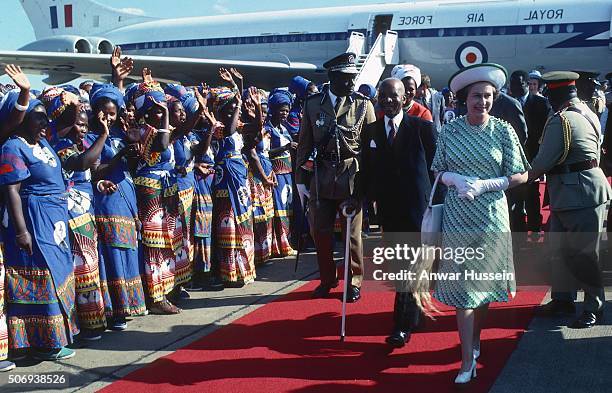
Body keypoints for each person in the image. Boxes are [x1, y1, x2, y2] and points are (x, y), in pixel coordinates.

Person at [432, 63, 529, 384]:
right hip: (458, 217)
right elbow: (437, 171)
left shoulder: (503, 130)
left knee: (483, 288)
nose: (482, 102)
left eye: (488, 96)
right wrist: (454, 179)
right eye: (476, 96)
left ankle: (474, 342)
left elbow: (521, 173)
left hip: (491, 217)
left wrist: (489, 184)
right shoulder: (450, 130)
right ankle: (465, 363)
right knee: (464, 290)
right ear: (464, 98)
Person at [0, 92, 79, 361]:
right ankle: (42, 343)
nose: (45, 123)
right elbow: (12, 189)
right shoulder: (13, 147)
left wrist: (72, 101)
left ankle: (54, 338)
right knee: (40, 278)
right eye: (38, 118)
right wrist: (21, 231)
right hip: (33, 218)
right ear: (22, 121)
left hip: (53, 219)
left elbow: (68, 120)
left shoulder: (43, 141)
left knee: (57, 272)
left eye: (46, 118)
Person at [530, 71, 611, 329]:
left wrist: (517, 178)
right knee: (563, 253)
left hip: (578, 193)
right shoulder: (589, 113)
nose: (547, 100)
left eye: (549, 95)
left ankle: (594, 308)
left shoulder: (560, 120)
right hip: (579, 191)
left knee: (584, 255)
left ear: (556, 94)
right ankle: (563, 300)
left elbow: (542, 162)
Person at [362, 78, 437, 347]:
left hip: (419, 209)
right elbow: (366, 172)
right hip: (389, 211)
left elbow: (436, 169)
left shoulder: (422, 128)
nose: (388, 100)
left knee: (410, 266)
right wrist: (357, 200)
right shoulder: (370, 131)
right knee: (401, 267)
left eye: (394, 96)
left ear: (405, 98)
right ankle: (414, 312)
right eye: (383, 95)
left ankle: (401, 326)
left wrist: (439, 204)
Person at [295, 52, 376, 301]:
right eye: (346, 78)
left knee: (352, 236)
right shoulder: (312, 104)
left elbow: (371, 147)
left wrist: (368, 186)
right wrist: (300, 180)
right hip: (321, 177)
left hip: (351, 177)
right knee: (320, 232)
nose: (351, 84)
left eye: (353, 78)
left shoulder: (363, 105)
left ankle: (353, 283)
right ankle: (327, 279)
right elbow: (304, 144)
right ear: (332, 77)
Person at [87, 83, 147, 329]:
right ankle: (114, 311)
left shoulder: (120, 134)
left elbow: (128, 167)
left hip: (126, 197)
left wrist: (132, 153)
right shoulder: (92, 137)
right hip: (107, 202)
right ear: (95, 111)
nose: (109, 118)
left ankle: (129, 304)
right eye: (104, 112)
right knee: (112, 254)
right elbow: (94, 171)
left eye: (113, 113)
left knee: (128, 251)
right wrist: (121, 154)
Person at [54, 109, 110, 340]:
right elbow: (83, 163)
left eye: (87, 126)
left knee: (88, 267)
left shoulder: (78, 143)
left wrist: (100, 184)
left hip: (85, 213)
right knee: (81, 268)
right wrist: (104, 134)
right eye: (79, 124)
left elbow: (88, 176)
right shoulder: (60, 145)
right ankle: (83, 326)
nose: (84, 130)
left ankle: (93, 321)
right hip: (71, 215)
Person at [131, 76, 184, 314]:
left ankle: (168, 286)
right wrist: (165, 115)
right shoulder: (141, 131)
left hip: (166, 189)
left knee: (168, 241)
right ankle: (156, 296)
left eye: (164, 109)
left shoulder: (160, 128)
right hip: (150, 191)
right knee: (155, 243)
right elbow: (162, 145)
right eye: (157, 110)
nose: (163, 114)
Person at [509, 70, 551, 235]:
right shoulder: (508, 104)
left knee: (532, 197)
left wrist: (541, 161)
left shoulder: (541, 104)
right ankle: (517, 232)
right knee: (515, 199)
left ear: (527, 84)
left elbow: (545, 134)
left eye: (519, 84)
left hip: (533, 159)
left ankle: (534, 228)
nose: (515, 88)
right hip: (512, 160)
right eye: (512, 85)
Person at [266, 89, 297, 257]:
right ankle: (280, 244)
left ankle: (288, 241)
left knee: (288, 208)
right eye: (281, 110)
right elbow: (265, 152)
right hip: (277, 172)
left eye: (286, 110)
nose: (284, 114)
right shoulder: (268, 129)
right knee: (279, 209)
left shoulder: (284, 128)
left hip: (288, 172)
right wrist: (285, 148)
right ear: (273, 110)